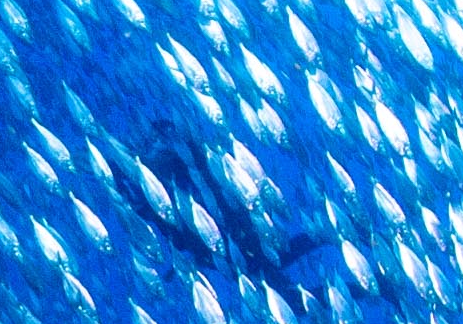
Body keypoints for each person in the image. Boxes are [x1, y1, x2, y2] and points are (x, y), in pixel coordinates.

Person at [121, 129, 365, 308]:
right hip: (232, 245)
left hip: (234, 245)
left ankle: (346, 247)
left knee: (285, 279)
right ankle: (345, 242)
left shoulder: (175, 176)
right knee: (283, 272)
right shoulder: (161, 185)